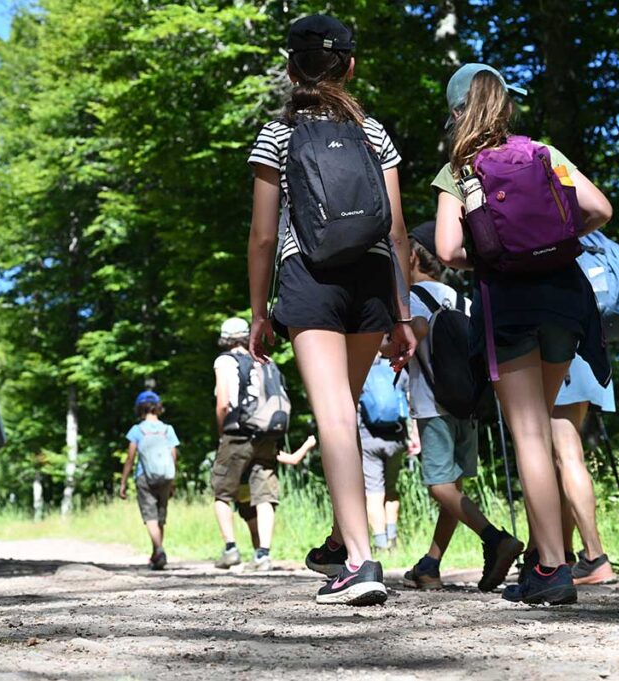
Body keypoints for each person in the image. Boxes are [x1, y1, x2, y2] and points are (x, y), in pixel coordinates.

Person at [247, 15, 416, 605]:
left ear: (292, 70)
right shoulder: (374, 134)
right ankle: (347, 546)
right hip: (372, 279)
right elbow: (396, 232)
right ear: (350, 65)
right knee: (344, 411)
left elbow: (264, 237)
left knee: (335, 418)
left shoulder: (277, 134)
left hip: (309, 277)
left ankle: (362, 563)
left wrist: (259, 311)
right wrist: (401, 313)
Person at [433, 64, 612, 604]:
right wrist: (553, 241)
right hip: (565, 300)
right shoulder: (544, 154)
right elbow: (600, 208)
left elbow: (445, 250)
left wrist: (494, 254)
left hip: (509, 303)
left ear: (458, 112)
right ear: (507, 106)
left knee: (530, 435)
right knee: (547, 424)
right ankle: (546, 559)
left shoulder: (460, 169)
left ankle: (551, 570)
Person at [401, 222, 523, 591]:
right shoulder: (462, 299)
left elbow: (417, 329)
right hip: (467, 406)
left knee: (440, 486)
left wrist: (392, 342)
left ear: (411, 256)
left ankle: (495, 539)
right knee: (453, 488)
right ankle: (430, 565)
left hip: (433, 403)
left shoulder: (411, 298)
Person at [516, 356, 617, 583]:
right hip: (586, 356)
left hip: (560, 362)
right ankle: (567, 555)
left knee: (567, 456)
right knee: (562, 458)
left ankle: (595, 557)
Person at [211, 317, 282, 573]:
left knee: (222, 491)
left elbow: (222, 401)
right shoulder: (266, 360)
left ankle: (230, 549)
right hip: (266, 434)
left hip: (237, 431)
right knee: (264, 494)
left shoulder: (225, 360)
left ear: (226, 339)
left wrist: (223, 433)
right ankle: (263, 554)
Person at [234, 434, 318, 571]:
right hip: (262, 482)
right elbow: (293, 459)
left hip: (242, 487)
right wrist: (308, 443)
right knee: (263, 510)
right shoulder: (267, 449)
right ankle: (262, 555)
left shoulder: (239, 446)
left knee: (254, 527)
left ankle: (258, 557)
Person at [119, 390, 180, 570]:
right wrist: (173, 480)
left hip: (144, 477)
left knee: (150, 516)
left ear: (140, 408)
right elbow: (173, 455)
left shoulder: (137, 430)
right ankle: (156, 554)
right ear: (158, 407)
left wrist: (123, 482)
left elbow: (130, 458)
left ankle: (159, 550)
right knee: (161, 516)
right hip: (166, 476)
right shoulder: (168, 429)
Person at [358, 356, 408, 554]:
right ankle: (392, 538)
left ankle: (380, 544)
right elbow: (408, 401)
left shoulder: (358, 369)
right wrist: (413, 437)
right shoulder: (395, 368)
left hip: (368, 439)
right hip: (396, 440)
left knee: (373, 492)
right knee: (391, 489)